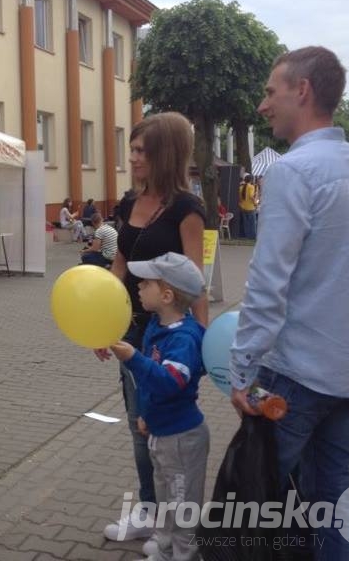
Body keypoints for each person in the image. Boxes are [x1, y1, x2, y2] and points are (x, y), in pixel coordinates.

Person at [229, 46, 349, 561]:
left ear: (302, 91)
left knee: (256, 503)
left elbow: (267, 282)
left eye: (270, 91)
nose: (262, 105)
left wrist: (240, 370)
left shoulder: (294, 172)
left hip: (294, 374)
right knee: (331, 503)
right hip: (348, 372)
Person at [95, 112, 207, 552]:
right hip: (130, 331)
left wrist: (199, 341)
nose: (133, 157)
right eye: (133, 149)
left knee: (159, 427)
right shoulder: (128, 203)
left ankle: (168, 524)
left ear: (164, 153)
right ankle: (149, 511)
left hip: (167, 334)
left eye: (141, 150)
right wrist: (101, 324)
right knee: (137, 425)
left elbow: (195, 280)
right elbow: (117, 268)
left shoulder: (186, 209)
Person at [109, 252, 208, 561]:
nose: (138, 285)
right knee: (165, 500)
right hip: (161, 433)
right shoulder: (156, 326)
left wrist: (133, 359)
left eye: (147, 282)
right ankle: (165, 549)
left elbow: (168, 382)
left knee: (181, 504)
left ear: (167, 295)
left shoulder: (185, 338)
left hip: (182, 438)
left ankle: (184, 554)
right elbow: (152, 386)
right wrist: (145, 415)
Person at [238, 173, 257, 238]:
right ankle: (252, 236)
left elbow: (239, 198)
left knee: (245, 223)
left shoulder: (240, 187)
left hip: (243, 207)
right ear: (251, 180)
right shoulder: (251, 187)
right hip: (250, 208)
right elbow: (251, 196)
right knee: (252, 223)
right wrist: (255, 203)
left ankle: (246, 236)